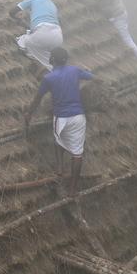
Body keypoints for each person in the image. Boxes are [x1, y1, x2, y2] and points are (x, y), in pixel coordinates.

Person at [23, 48, 94, 196]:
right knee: (77, 154)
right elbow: (92, 77)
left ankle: (60, 167)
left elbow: (37, 98)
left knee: (58, 139)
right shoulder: (75, 70)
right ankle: (73, 189)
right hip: (78, 117)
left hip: (61, 117)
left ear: (52, 60)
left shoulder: (49, 78)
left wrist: (29, 113)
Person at [9, 0, 64, 68]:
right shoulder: (53, 5)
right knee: (50, 58)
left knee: (22, 41)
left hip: (43, 33)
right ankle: (55, 68)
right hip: (58, 37)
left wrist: (18, 19)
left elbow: (12, 12)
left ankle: (29, 54)